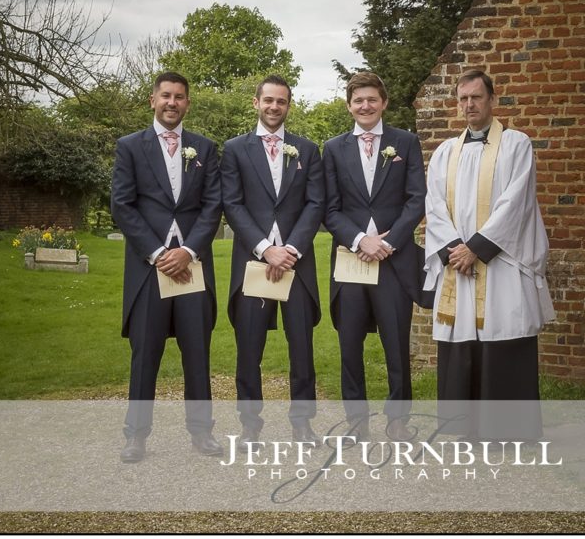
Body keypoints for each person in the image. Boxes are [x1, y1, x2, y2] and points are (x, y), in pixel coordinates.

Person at [423, 69, 555, 438]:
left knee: (504, 333)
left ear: (492, 100)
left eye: (476, 97)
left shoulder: (516, 144)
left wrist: (477, 249)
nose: (469, 105)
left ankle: (507, 431)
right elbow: (434, 207)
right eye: (463, 99)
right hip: (457, 266)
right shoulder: (445, 152)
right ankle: (461, 429)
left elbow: (517, 203)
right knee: (460, 340)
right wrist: (454, 251)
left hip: (500, 263)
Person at [111, 71, 223, 463]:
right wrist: (159, 253)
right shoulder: (129, 147)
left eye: (179, 97)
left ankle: (201, 433)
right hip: (149, 269)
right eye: (165, 96)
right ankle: (136, 435)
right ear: (152, 100)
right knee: (146, 354)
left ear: (187, 103)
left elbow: (213, 206)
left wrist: (189, 251)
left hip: (191, 266)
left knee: (197, 350)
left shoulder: (205, 149)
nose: (172, 102)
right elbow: (122, 206)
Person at [221, 74, 325, 445]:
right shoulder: (234, 149)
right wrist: (266, 249)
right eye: (268, 100)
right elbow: (231, 204)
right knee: (249, 348)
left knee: (302, 346)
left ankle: (303, 423)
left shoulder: (308, 150)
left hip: (297, 263)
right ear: (256, 103)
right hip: (254, 263)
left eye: (281, 101)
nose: (274, 107)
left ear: (288, 105)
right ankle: (250, 425)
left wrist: (291, 249)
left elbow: (316, 203)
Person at [323, 72, 426, 441]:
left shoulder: (405, 142)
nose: (364, 106)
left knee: (396, 342)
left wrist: (388, 242)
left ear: (383, 102)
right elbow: (330, 209)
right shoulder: (333, 148)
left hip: (393, 260)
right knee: (349, 342)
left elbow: (417, 198)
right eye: (357, 101)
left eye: (371, 99)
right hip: (351, 260)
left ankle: (398, 419)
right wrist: (359, 240)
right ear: (349, 105)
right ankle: (356, 422)